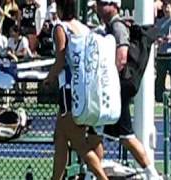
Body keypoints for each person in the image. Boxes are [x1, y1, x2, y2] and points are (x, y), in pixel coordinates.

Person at [96, 0, 163, 179]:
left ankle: (151, 174)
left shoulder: (117, 27)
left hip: (117, 89)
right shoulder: (110, 26)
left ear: (113, 6)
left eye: (102, 3)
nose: (98, 7)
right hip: (116, 89)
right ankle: (93, 172)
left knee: (122, 135)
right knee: (98, 132)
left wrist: (108, 80)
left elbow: (122, 57)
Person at [44, 0, 108, 179]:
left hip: (68, 91)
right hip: (85, 90)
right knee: (61, 139)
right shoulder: (83, 28)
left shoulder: (60, 28)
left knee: (79, 142)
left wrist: (48, 79)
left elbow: (61, 60)